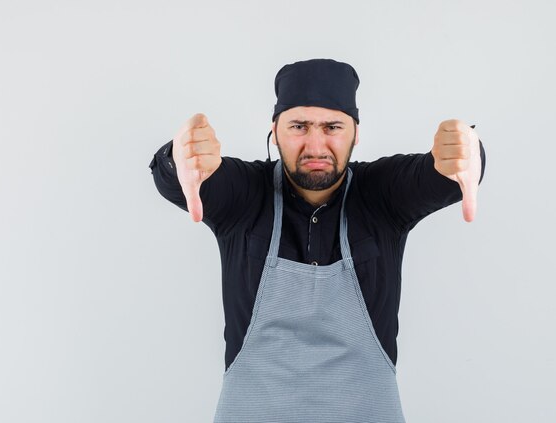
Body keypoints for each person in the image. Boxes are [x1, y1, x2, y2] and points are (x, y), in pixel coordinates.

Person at [149, 58, 486, 423]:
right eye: (299, 126)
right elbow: (180, 178)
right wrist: (178, 157)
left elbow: (436, 173)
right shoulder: (244, 197)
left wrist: (463, 154)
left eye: (332, 127)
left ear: (355, 133)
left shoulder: (383, 196)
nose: (315, 144)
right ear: (274, 131)